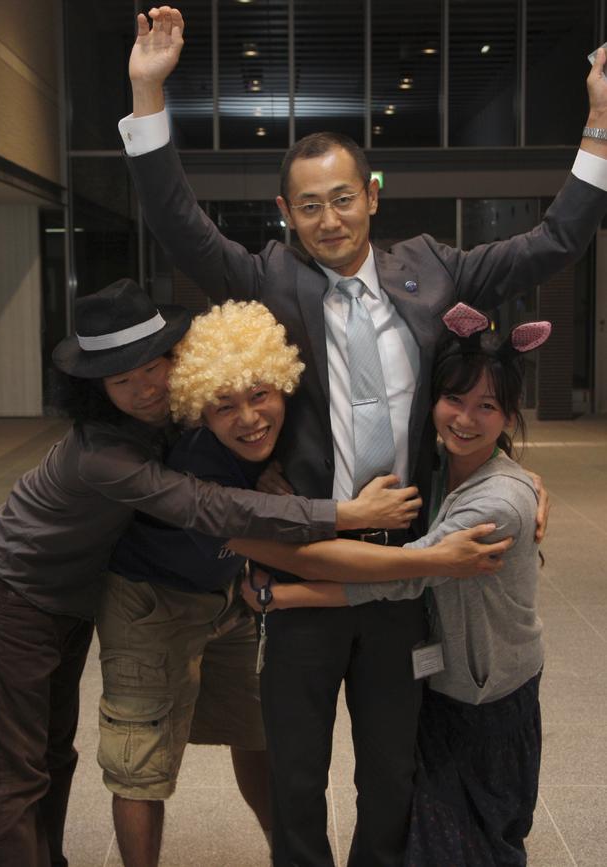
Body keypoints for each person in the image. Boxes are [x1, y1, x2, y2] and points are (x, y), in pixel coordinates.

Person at [119, 9, 607, 864]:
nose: (330, 218)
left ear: (371, 195)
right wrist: (148, 92)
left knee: (391, 775)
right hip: (308, 566)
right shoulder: (270, 277)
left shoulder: (434, 267)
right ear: (286, 213)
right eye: (309, 206)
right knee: (296, 780)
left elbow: (557, 239)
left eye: (344, 198)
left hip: (409, 577)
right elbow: (176, 222)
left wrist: (599, 122)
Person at [0, 280, 428, 867]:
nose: (144, 390)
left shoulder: (172, 417)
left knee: (54, 756)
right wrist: (344, 515)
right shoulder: (103, 454)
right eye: (121, 380)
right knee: (15, 772)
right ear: (94, 389)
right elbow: (207, 506)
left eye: (153, 368)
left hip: (78, 597)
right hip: (15, 595)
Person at [97, 299, 508, 867]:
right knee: (205, 763)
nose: (248, 418)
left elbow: (458, 435)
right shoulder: (199, 467)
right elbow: (307, 557)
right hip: (165, 598)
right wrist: (425, 557)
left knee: (335, 757)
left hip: (255, 601)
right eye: (224, 406)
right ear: (199, 410)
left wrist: (517, 474)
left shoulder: (294, 430)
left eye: (260, 395)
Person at [236, 302, 550, 866]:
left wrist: (277, 589)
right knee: (301, 775)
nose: (465, 418)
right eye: (454, 400)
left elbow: (406, 579)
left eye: (487, 407)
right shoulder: (436, 456)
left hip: (458, 660)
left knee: (413, 792)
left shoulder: (492, 495)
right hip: (401, 646)